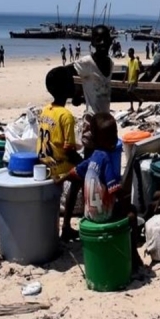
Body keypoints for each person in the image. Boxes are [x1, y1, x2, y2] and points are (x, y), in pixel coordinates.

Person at [49, 25, 114, 239]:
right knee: (84, 173)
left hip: (106, 124)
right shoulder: (86, 62)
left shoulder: (111, 64)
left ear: (111, 41)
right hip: (91, 127)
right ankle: (67, 225)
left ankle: (96, 213)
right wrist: (70, 93)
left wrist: (80, 95)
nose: (102, 44)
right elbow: (63, 72)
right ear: (93, 43)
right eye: (98, 40)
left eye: (106, 40)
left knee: (103, 173)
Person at [55, 113, 142, 271]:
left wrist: (60, 180)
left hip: (88, 213)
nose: (114, 138)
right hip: (103, 214)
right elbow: (114, 189)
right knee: (132, 213)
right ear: (97, 139)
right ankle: (134, 254)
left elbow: (74, 173)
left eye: (115, 133)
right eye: (110, 135)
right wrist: (125, 202)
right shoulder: (107, 159)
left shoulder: (93, 156)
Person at [37, 68, 82, 240]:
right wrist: (84, 162)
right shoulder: (66, 116)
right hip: (58, 164)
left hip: (43, 162)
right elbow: (69, 152)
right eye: (71, 83)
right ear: (66, 89)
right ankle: (67, 226)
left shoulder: (45, 110)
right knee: (82, 175)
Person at [125, 48, 144, 113]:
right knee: (129, 94)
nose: (129, 54)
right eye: (128, 53)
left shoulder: (136, 61)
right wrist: (124, 79)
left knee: (129, 92)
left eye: (130, 53)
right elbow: (127, 70)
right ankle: (131, 107)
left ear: (132, 53)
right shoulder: (129, 61)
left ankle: (140, 100)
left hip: (133, 80)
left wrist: (136, 80)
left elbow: (137, 71)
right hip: (129, 80)